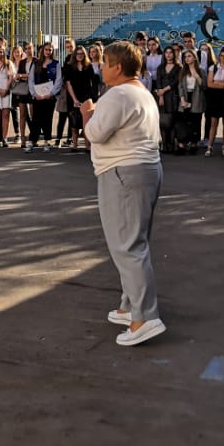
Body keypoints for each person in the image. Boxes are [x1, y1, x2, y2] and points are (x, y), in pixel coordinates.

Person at [81, 40, 166, 347]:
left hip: (123, 174)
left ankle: (145, 317)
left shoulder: (117, 95)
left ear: (117, 68)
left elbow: (94, 134)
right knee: (134, 241)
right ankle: (130, 306)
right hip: (145, 170)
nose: (101, 67)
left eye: (104, 63)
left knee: (127, 246)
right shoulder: (142, 92)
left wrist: (88, 113)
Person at [26, 42, 61, 152]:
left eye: (50, 50)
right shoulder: (36, 63)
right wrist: (34, 94)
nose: (48, 52)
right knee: (36, 119)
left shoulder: (56, 64)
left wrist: (51, 93)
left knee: (47, 119)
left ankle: (47, 141)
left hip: (49, 97)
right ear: (43, 51)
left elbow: (58, 80)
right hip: (37, 96)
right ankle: (32, 141)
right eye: (46, 49)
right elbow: (31, 79)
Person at [64, 44, 99, 152]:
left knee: (86, 122)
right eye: (78, 54)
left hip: (86, 96)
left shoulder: (88, 66)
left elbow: (93, 82)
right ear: (74, 55)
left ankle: (87, 146)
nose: (80, 55)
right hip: (73, 96)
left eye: (82, 54)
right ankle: (74, 145)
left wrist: (92, 97)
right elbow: (68, 83)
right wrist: (74, 99)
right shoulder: (69, 66)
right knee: (74, 122)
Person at [175, 49, 206, 154]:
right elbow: (180, 86)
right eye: (185, 57)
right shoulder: (183, 71)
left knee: (195, 121)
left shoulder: (201, 71)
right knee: (182, 121)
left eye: (189, 56)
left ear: (194, 58)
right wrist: (182, 99)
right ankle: (181, 145)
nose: (187, 58)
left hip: (196, 96)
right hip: (185, 96)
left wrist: (196, 76)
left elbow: (204, 86)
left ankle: (194, 144)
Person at [205, 45, 224, 157]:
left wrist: (217, 83)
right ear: (219, 56)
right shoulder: (213, 68)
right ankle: (209, 146)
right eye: (221, 56)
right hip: (214, 97)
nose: (223, 58)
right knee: (213, 123)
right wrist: (223, 84)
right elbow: (209, 84)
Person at [154, 46, 180, 153]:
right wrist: (161, 96)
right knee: (163, 121)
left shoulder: (178, 67)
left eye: (170, 52)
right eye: (166, 52)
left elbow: (176, 82)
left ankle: (172, 144)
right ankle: (164, 145)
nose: (168, 54)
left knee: (172, 120)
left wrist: (164, 90)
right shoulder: (160, 67)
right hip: (162, 96)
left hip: (173, 95)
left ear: (174, 54)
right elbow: (158, 82)